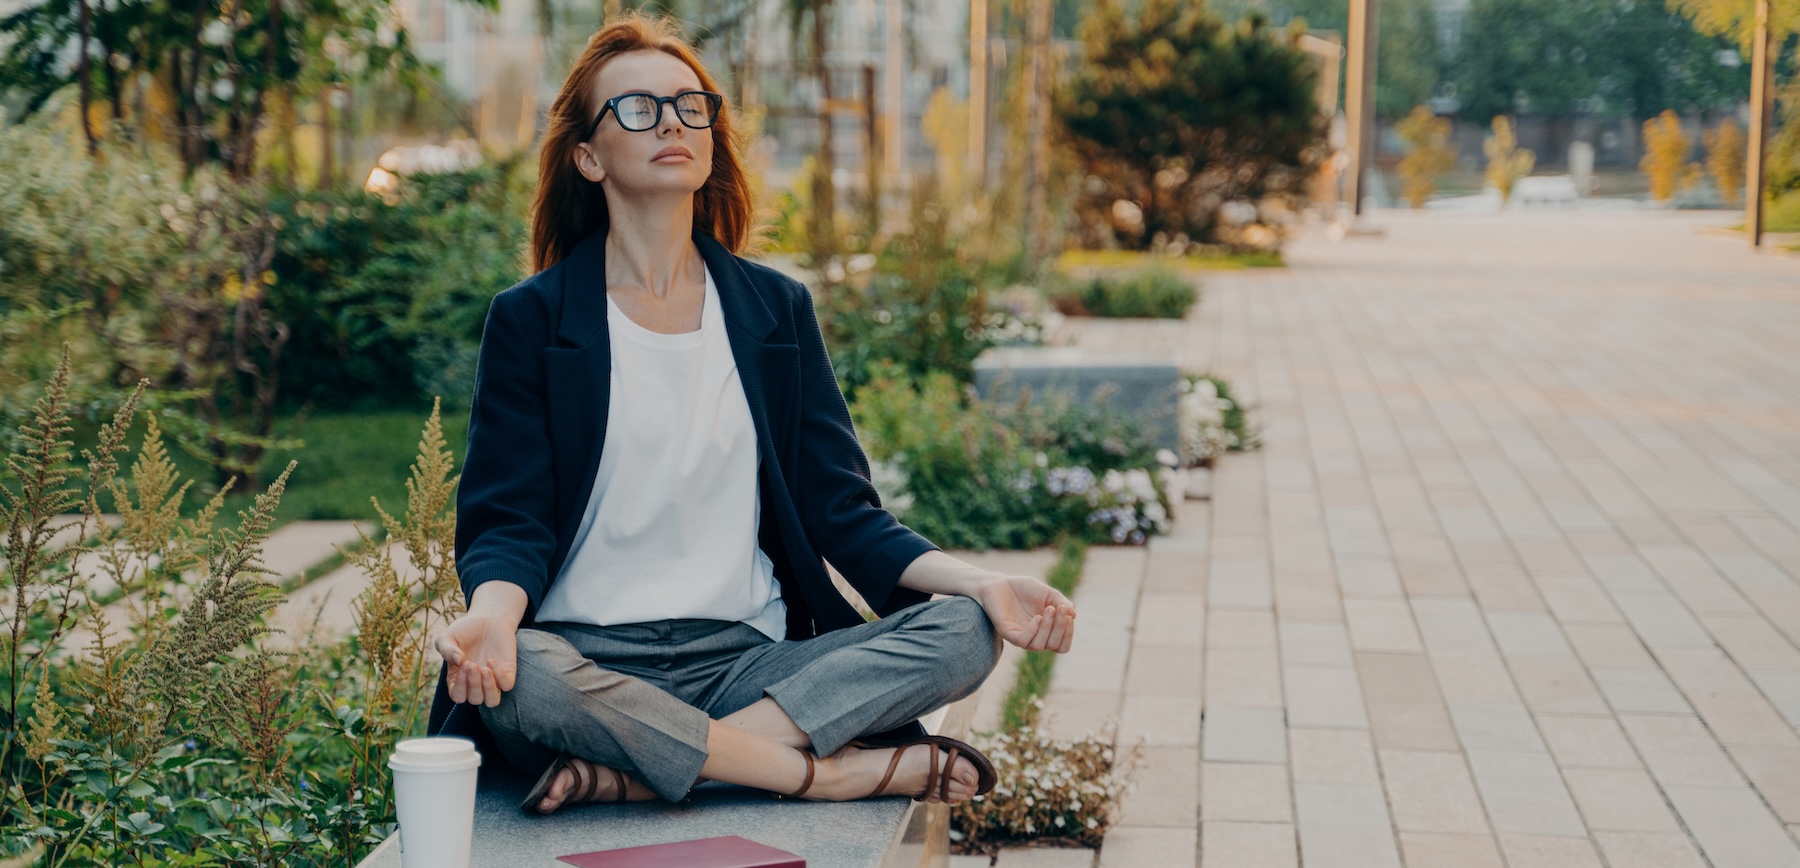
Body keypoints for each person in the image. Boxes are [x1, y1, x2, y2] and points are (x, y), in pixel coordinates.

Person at [427, 13, 1077, 815]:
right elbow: (507, 517)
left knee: (966, 631)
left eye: (690, 104)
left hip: (744, 661)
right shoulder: (533, 318)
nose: (671, 121)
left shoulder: (774, 310)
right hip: (585, 662)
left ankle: (645, 769)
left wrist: (984, 582)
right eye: (637, 108)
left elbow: (841, 512)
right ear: (587, 156)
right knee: (523, 678)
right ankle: (814, 771)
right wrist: (492, 619)